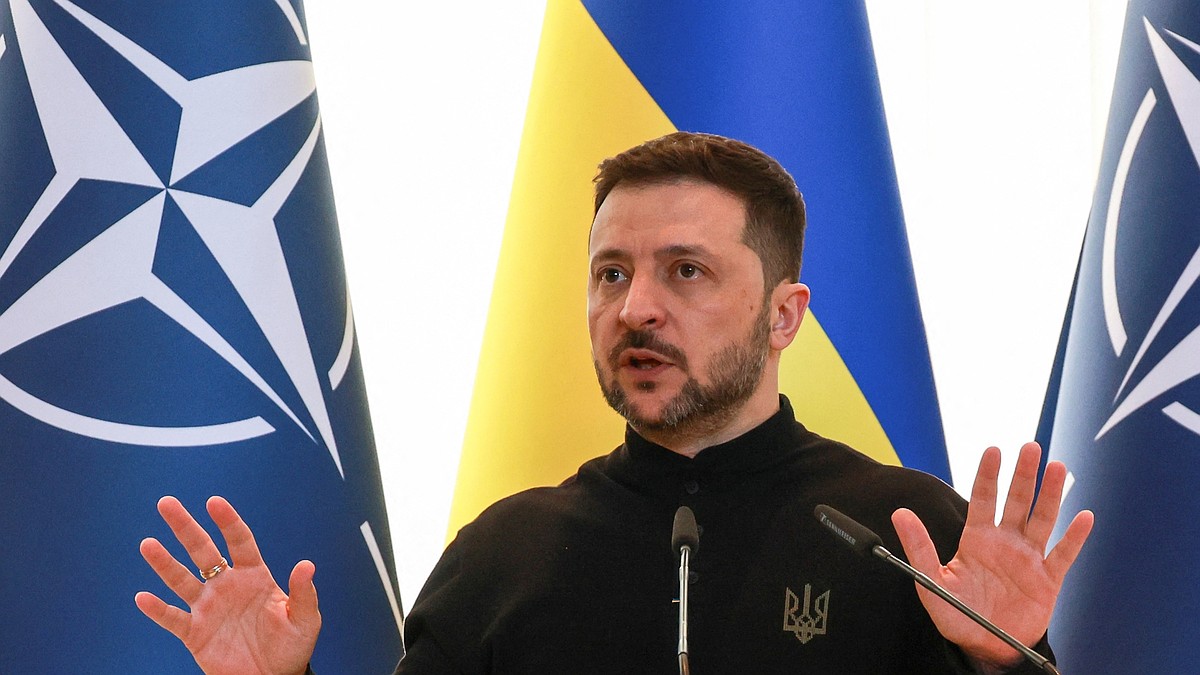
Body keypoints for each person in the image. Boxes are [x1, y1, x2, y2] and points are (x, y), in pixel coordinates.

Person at [137, 132, 1093, 674]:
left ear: (783, 314)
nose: (635, 308)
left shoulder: (908, 538)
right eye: (611, 273)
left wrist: (1003, 664)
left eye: (686, 271)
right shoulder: (500, 556)